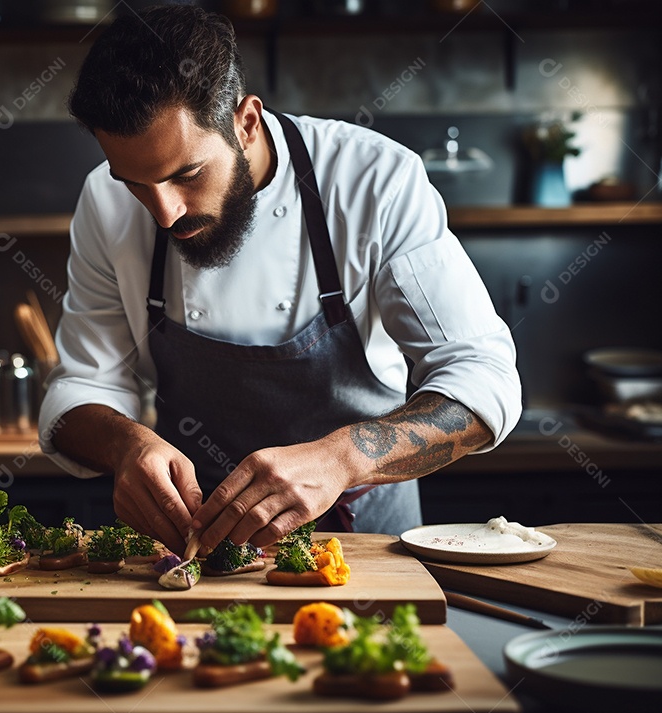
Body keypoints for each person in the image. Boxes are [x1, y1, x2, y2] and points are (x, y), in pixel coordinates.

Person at [37, 5, 521, 555]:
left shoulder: (374, 180)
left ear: (245, 121)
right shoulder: (104, 199)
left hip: (365, 550)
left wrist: (342, 458)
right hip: (194, 551)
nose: (165, 213)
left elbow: (484, 381)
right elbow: (82, 386)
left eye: (187, 174)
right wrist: (125, 446)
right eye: (136, 184)